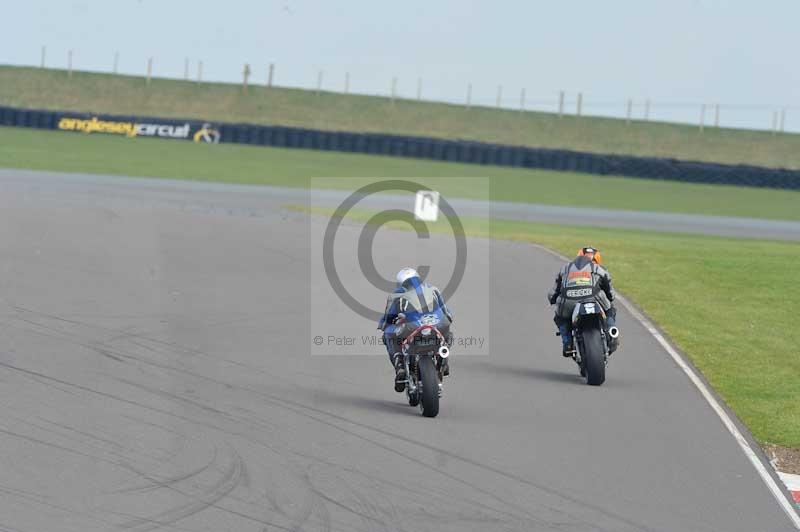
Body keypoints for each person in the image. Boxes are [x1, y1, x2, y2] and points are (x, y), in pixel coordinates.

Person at [378, 267, 453, 392]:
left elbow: (387, 319)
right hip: (438, 325)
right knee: (448, 333)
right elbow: (447, 313)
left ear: (401, 282)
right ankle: (443, 360)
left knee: (388, 334)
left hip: (412, 327)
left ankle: (400, 366)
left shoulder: (397, 294)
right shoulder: (433, 289)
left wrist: (384, 325)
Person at [547, 246, 618, 357]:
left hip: (568, 302)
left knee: (560, 317)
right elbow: (610, 292)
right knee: (610, 309)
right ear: (597, 260)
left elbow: (553, 293)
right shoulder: (600, 269)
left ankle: (567, 342)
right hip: (594, 298)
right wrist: (610, 297)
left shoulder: (565, 268)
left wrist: (553, 299)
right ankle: (611, 331)